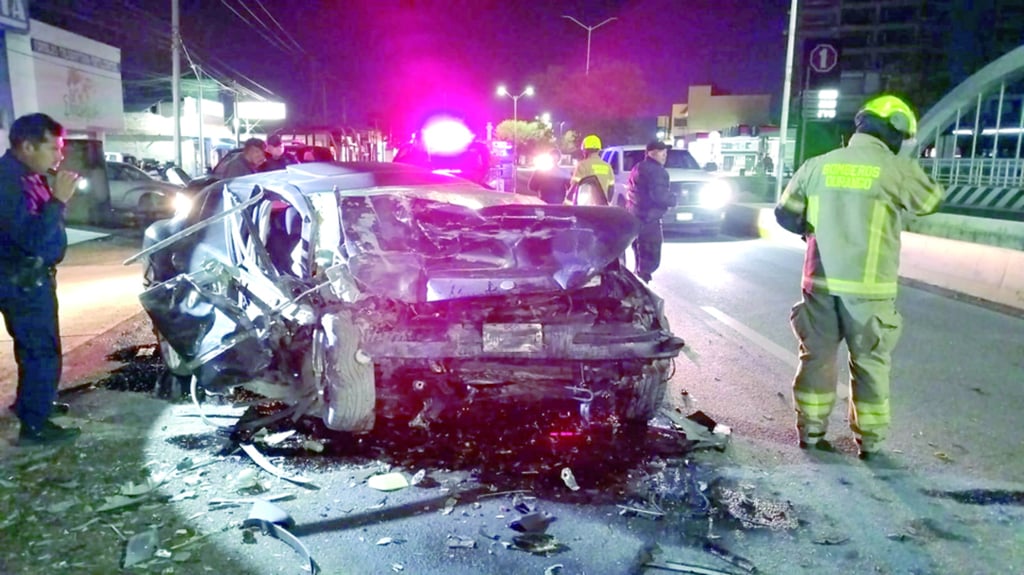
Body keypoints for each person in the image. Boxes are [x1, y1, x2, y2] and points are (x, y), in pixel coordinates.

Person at [774, 94, 943, 460]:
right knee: (869, 363)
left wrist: (812, 230)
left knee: (816, 358)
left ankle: (811, 431)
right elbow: (929, 202)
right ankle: (870, 441)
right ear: (895, 132)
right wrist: (906, 165)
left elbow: (785, 214)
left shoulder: (817, 165)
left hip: (819, 282)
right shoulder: (894, 169)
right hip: (869, 288)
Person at [0, 113, 82, 445]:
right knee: (41, 351)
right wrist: (58, 200)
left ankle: (32, 402)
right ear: (27, 146)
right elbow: (31, 238)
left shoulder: (28, 175)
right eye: (53, 148)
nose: (59, 156)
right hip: (23, 281)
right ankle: (35, 425)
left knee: (33, 348)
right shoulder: (8, 183)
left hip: (30, 278)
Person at [626, 140, 675, 283]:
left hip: (635, 216)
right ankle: (642, 289)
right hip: (649, 219)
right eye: (662, 153)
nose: (665, 156)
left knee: (640, 254)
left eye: (665, 153)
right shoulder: (658, 171)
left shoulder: (638, 167)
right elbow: (659, 195)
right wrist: (673, 199)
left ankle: (639, 281)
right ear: (652, 153)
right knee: (650, 257)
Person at [570, 134, 614, 201]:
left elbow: (574, 187)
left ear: (585, 150)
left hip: (586, 207)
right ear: (599, 150)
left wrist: (567, 204)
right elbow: (611, 189)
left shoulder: (582, 165)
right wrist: (607, 203)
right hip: (602, 207)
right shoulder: (608, 167)